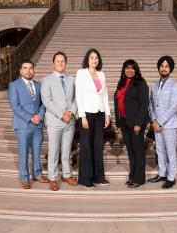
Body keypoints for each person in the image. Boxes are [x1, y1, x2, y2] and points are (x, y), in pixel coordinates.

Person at [8, 59, 49, 189]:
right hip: (23, 124)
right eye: (25, 68)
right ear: (21, 71)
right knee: (24, 152)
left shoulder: (39, 85)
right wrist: (30, 117)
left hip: (38, 124)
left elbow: (43, 104)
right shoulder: (14, 85)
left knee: (37, 151)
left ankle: (37, 174)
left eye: (31, 68)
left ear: (34, 70)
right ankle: (25, 178)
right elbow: (15, 105)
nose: (28, 70)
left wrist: (40, 115)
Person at [41, 51, 77, 191]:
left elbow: (76, 99)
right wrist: (63, 115)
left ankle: (66, 174)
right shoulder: (47, 80)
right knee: (54, 150)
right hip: (55, 121)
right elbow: (47, 100)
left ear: (65, 63)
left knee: (67, 150)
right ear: (53, 63)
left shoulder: (71, 79)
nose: (60, 63)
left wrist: (72, 112)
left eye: (63, 61)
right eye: (58, 61)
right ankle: (53, 177)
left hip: (70, 121)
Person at [75, 48, 111, 189]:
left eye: (96, 58)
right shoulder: (81, 73)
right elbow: (79, 95)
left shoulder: (101, 74)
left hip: (99, 114)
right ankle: (86, 179)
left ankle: (99, 177)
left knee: (97, 146)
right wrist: (82, 116)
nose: (94, 60)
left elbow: (105, 95)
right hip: (87, 114)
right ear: (87, 59)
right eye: (92, 58)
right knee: (86, 146)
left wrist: (107, 114)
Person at [114, 59, 149, 188]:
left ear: (136, 70)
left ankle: (139, 179)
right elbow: (117, 103)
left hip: (136, 123)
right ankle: (132, 176)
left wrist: (138, 124)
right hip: (124, 122)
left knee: (138, 151)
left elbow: (145, 104)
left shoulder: (141, 83)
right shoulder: (121, 83)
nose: (130, 70)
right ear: (124, 70)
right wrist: (118, 124)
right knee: (130, 151)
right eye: (127, 68)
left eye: (132, 68)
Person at [147, 56, 177, 189]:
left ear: (170, 68)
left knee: (171, 152)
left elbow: (173, 107)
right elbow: (150, 105)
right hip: (156, 125)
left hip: (169, 125)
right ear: (159, 68)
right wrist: (153, 120)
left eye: (166, 66)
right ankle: (162, 174)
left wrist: (159, 122)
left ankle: (171, 177)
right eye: (162, 66)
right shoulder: (154, 86)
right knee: (160, 150)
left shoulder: (175, 85)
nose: (164, 69)